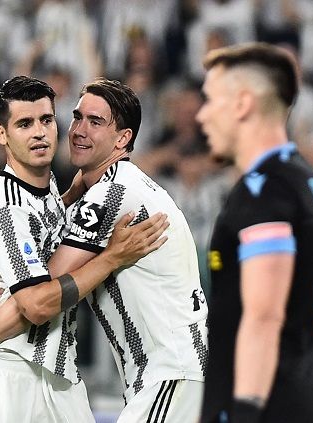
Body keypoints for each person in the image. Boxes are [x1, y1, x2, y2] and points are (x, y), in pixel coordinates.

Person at [0, 75, 168, 422]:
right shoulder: (5, 205)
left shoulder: (45, 188)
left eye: (46, 120)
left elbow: (43, 237)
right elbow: (36, 304)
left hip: (61, 373)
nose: (39, 132)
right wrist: (112, 258)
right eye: (24, 124)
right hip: (11, 372)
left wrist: (71, 195)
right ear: (1, 134)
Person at [196, 43, 313, 423]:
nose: (201, 115)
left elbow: (264, 316)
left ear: (242, 104)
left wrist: (244, 412)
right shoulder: (310, 186)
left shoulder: (265, 193)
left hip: (269, 410)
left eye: (210, 100)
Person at [56, 78, 208, 421]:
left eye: (95, 122)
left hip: (170, 374)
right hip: (176, 373)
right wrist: (68, 198)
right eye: (77, 117)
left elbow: (50, 281)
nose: (79, 129)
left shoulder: (112, 192)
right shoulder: (127, 185)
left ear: (123, 138)